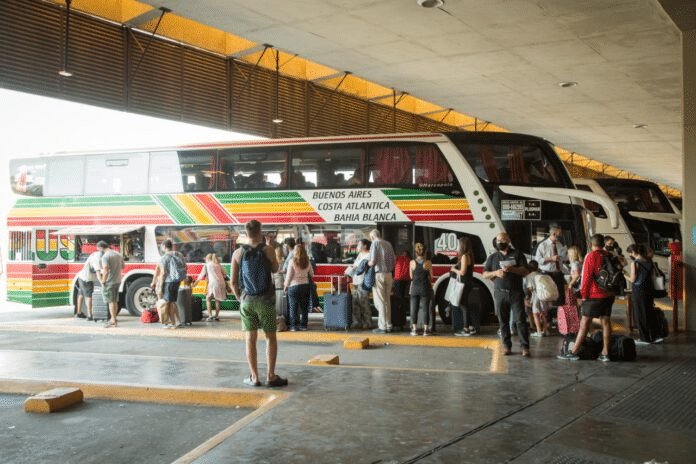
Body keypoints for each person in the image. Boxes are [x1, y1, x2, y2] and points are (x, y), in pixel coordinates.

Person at [231, 219, 287, 387]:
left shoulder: (238, 253)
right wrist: (270, 247)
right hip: (266, 300)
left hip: (247, 301)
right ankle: (270, 376)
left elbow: (233, 282)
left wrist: (239, 298)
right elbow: (276, 269)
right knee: (270, 337)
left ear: (246, 233)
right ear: (260, 232)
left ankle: (254, 377)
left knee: (250, 339)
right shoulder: (267, 250)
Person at [558, 234, 615, 362]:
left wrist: (584, 295)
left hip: (594, 295)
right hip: (609, 294)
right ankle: (605, 353)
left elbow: (587, 278)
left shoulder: (591, 256)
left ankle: (574, 351)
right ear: (603, 244)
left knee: (584, 322)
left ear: (590, 244)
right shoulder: (607, 255)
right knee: (606, 322)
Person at [483, 232, 530, 356]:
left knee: (520, 320)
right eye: (498, 240)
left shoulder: (517, 254)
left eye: (502, 239)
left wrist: (512, 268)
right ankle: (506, 346)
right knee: (503, 321)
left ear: (508, 240)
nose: (500, 242)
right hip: (500, 294)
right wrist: (496, 273)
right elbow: (485, 273)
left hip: (516, 293)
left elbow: (525, 271)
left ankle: (525, 347)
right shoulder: (493, 257)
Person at [626, 244, 661, 344]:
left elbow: (633, 279)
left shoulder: (635, 263)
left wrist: (625, 276)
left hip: (639, 290)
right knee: (649, 312)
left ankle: (644, 338)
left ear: (633, 252)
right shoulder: (649, 261)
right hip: (649, 289)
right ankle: (654, 336)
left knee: (640, 313)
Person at [152, 239, 185, 329]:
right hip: (177, 280)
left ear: (164, 247)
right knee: (173, 301)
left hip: (169, 281)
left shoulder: (164, 257)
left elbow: (163, 273)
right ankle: (178, 321)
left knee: (169, 302)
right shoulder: (179, 255)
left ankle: (173, 323)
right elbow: (185, 267)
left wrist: (159, 286)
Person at [368, 229, 396, 334]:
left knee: (380, 302)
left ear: (372, 237)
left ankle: (382, 326)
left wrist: (368, 263)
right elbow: (394, 259)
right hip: (389, 274)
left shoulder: (375, 243)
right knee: (387, 301)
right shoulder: (388, 244)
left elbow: (373, 261)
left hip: (379, 274)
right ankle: (388, 325)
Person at [534, 225, 567, 307]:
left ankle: (560, 316)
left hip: (558, 273)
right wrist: (550, 259)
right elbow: (538, 259)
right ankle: (549, 316)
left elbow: (563, 258)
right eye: (559, 234)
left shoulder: (559, 244)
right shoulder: (543, 245)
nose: (560, 236)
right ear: (554, 234)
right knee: (548, 296)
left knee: (560, 297)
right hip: (547, 274)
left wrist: (566, 256)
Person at [284, 244, 313, 331]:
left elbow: (288, 276)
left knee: (293, 308)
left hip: (294, 287)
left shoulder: (292, 261)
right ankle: (304, 325)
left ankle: (293, 326)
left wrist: (285, 286)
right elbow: (312, 274)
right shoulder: (307, 261)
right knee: (304, 308)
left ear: (295, 252)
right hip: (305, 286)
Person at [344, 239, 372, 330]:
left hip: (363, 282)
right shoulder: (360, 255)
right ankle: (357, 322)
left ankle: (367, 322)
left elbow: (361, 268)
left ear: (365, 246)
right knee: (355, 303)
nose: (357, 247)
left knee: (363, 303)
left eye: (359, 245)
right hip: (355, 281)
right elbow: (355, 266)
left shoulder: (369, 255)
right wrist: (348, 272)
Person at [452, 237, 477, 337]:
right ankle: (471, 327)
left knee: (463, 305)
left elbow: (462, 272)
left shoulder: (464, 257)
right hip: (468, 283)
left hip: (463, 283)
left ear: (463, 245)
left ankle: (466, 328)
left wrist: (454, 269)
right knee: (465, 304)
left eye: (459, 244)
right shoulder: (469, 255)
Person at [98, 241, 124, 328]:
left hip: (109, 282)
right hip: (117, 280)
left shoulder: (105, 257)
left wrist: (103, 280)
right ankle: (114, 318)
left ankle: (113, 320)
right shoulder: (118, 254)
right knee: (115, 300)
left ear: (101, 247)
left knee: (111, 301)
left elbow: (105, 269)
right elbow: (122, 266)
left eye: (98, 248)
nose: (98, 250)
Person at [194, 253, 227, 322]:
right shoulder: (218, 265)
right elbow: (224, 275)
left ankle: (210, 316)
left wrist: (195, 283)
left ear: (207, 259)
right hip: (221, 283)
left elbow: (201, 276)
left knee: (208, 299)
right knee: (218, 300)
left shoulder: (207, 265)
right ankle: (217, 316)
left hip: (213, 283)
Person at [409, 242, 433, 336]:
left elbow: (411, 276)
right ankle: (426, 330)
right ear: (424, 252)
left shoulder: (412, 262)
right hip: (425, 288)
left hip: (415, 288)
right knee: (425, 309)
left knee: (414, 308)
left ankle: (414, 329)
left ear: (416, 252)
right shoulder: (428, 262)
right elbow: (431, 276)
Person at [75, 246, 104, 320]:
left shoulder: (95, 254)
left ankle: (78, 312)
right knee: (89, 297)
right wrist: (102, 283)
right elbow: (97, 272)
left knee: (81, 293)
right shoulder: (97, 259)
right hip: (86, 279)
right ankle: (89, 315)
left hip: (81, 276)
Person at [524, 260, 550, 337]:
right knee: (543, 314)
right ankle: (546, 331)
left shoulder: (529, 276)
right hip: (543, 296)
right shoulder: (541, 274)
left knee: (536, 314)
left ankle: (539, 331)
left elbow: (530, 288)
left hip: (535, 296)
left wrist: (527, 296)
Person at [392, 248, 411, 332]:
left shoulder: (398, 258)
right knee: (403, 301)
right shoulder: (410, 260)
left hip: (398, 280)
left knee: (397, 300)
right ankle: (403, 321)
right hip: (406, 281)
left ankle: (397, 322)